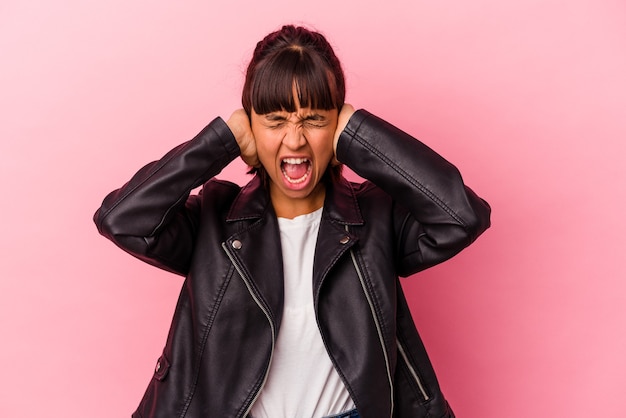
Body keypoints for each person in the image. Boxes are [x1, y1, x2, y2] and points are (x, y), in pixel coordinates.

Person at [94, 24, 490, 418]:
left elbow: (461, 216)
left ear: (336, 124)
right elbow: (122, 219)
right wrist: (221, 141)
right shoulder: (214, 218)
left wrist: (357, 135)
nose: (295, 140)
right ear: (250, 125)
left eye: (314, 119)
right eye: (276, 120)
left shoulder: (376, 218)